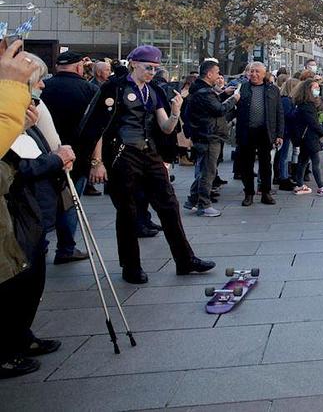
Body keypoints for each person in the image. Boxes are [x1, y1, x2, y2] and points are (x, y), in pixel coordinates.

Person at [76, 45, 214, 284]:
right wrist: (97, 162)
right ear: (133, 64)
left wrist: (175, 111)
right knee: (127, 211)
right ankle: (131, 266)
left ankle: (185, 259)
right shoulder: (114, 87)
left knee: (169, 205)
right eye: (148, 67)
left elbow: (166, 128)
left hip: (150, 153)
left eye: (155, 68)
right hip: (122, 153)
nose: (151, 72)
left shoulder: (154, 91)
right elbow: (99, 126)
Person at [1, 52, 69, 379]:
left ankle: (21, 336)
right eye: (38, 80)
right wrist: (56, 160)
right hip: (15, 208)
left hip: (31, 205)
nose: (43, 85)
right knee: (17, 279)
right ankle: (7, 348)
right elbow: (17, 167)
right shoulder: (8, 113)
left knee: (32, 275)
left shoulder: (23, 111)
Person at [38, 50, 95, 263]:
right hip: (76, 154)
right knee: (70, 202)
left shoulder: (44, 87)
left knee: (42, 200)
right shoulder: (89, 89)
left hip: (44, 154)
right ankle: (66, 247)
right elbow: (97, 127)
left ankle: (40, 244)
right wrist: (97, 160)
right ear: (79, 67)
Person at [182, 59, 239, 216]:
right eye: (217, 73)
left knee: (204, 170)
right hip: (208, 135)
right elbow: (219, 109)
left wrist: (224, 94)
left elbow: (212, 105)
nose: (219, 76)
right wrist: (234, 99)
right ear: (209, 74)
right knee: (208, 172)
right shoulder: (204, 92)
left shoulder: (201, 90)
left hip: (204, 134)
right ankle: (204, 204)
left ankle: (193, 200)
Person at [233, 62, 284, 206]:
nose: (254, 74)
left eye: (257, 72)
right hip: (247, 131)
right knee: (247, 164)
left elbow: (279, 112)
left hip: (265, 131)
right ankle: (248, 193)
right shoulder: (243, 88)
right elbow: (234, 108)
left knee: (265, 164)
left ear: (263, 74)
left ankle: (265, 192)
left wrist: (279, 134)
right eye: (252, 71)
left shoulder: (272, 89)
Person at [291, 78, 323, 196]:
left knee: (303, 160)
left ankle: (300, 184)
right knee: (315, 162)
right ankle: (321, 187)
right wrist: (322, 132)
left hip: (304, 137)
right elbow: (313, 123)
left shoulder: (302, 104)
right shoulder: (308, 106)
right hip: (310, 137)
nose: (318, 89)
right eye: (315, 87)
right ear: (308, 90)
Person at [275, 77, 299, 191]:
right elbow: (287, 116)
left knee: (284, 155)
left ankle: (284, 176)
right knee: (284, 156)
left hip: (286, 130)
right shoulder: (286, 100)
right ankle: (283, 178)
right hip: (285, 131)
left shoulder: (287, 99)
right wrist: (297, 111)